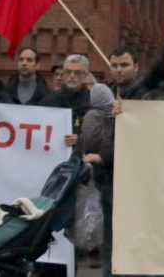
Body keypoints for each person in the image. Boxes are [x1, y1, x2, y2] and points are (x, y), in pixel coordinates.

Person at [81, 83, 116, 277]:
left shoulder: (92, 116)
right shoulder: (117, 115)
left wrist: (99, 156)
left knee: (107, 236)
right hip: (114, 178)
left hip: (102, 177)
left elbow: (89, 142)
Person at [41, 54, 94, 145]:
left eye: (77, 72)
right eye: (68, 72)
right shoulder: (48, 101)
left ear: (85, 75)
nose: (72, 76)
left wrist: (80, 139)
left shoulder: (93, 103)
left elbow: (101, 135)